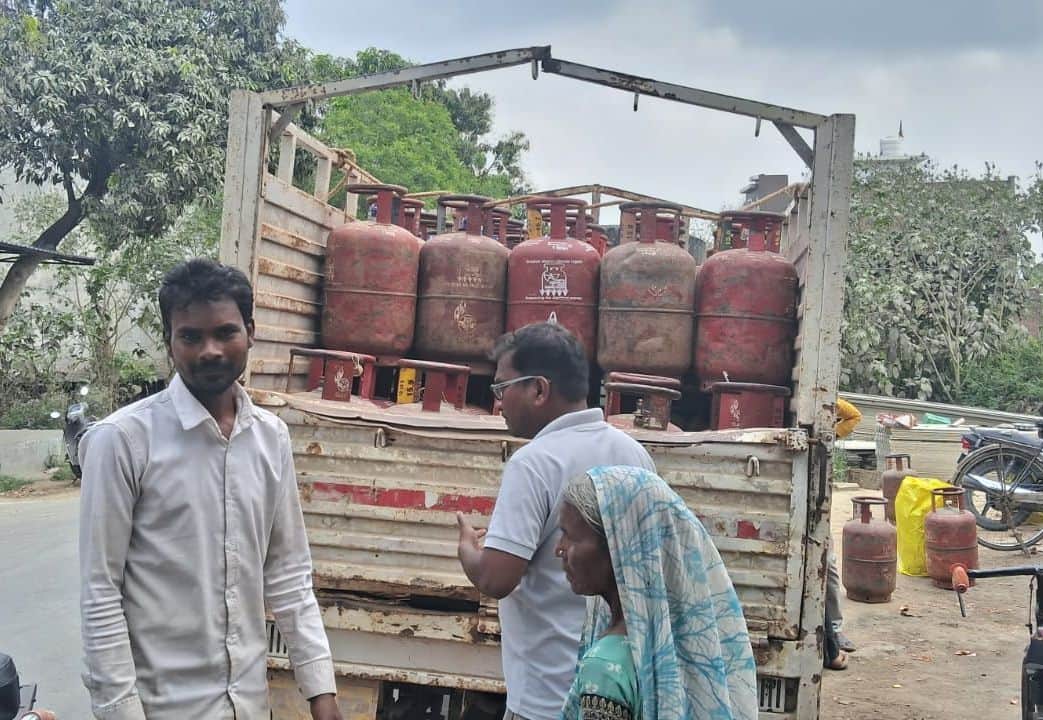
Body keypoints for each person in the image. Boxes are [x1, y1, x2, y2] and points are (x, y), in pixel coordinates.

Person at [78, 259, 342, 720]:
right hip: (165, 709)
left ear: (251, 332)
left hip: (249, 705)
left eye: (225, 332)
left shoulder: (270, 437)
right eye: (191, 336)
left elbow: (288, 574)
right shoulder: (121, 440)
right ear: (169, 341)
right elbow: (101, 592)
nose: (210, 350)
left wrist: (322, 692)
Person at [456, 322, 655, 720]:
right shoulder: (634, 454)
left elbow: (497, 578)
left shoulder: (534, 463)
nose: (498, 403)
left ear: (539, 389)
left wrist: (468, 551)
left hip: (545, 699)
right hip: (616, 688)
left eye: (501, 388)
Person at [556, 466, 758, 720]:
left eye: (570, 536)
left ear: (620, 545)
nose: (559, 549)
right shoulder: (684, 646)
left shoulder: (605, 666)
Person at [827, 397, 863, 660]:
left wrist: (832, 433)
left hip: (813, 503)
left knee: (827, 571)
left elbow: (854, 416)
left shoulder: (830, 404)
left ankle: (835, 630)